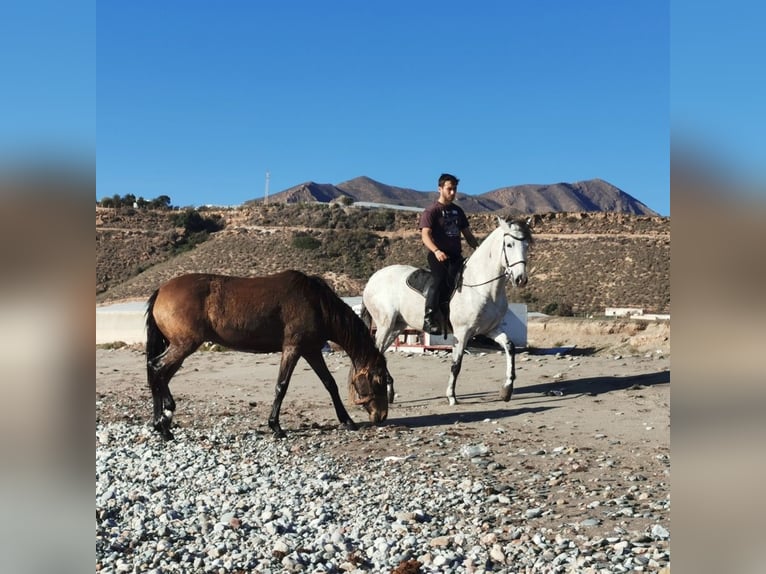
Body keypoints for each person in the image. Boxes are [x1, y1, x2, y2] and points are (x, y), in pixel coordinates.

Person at [419, 173, 479, 334]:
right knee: (438, 280)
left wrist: (479, 250)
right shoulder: (432, 211)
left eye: (455, 189)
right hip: (438, 256)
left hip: (456, 256)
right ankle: (429, 318)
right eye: (449, 189)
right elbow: (425, 235)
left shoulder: (458, 211)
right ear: (440, 189)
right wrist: (436, 251)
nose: (453, 193)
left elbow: (468, 235)